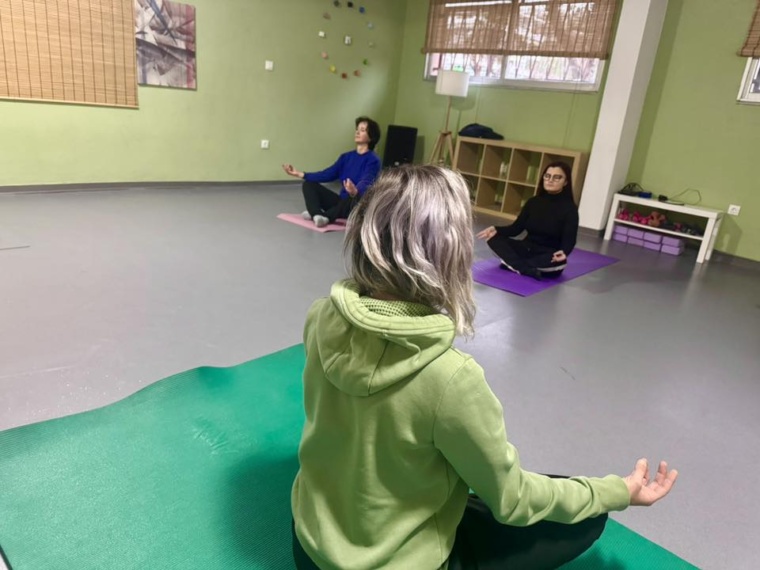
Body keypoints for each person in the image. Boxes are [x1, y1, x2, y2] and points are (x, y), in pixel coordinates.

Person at [290, 165, 678, 570]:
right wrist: (617, 491)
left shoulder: (321, 316)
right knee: (586, 514)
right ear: (449, 253)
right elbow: (513, 500)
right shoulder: (452, 378)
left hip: (309, 547)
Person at [477, 161, 578, 280]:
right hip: (526, 248)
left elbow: (570, 239)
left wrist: (564, 252)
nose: (550, 180)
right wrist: (496, 229)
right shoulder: (533, 202)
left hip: (548, 254)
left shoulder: (569, 209)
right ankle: (525, 268)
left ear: (565, 182)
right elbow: (516, 229)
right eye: (547, 176)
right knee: (493, 239)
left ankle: (513, 263)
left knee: (555, 261)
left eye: (557, 177)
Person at [282, 116, 382, 228]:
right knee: (308, 184)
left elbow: (367, 181)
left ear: (371, 137)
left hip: (357, 204)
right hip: (341, 202)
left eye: (362, 130)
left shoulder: (373, 160)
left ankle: (326, 216)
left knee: (352, 198)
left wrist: (355, 191)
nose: (357, 132)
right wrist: (300, 174)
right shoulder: (346, 157)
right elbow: (327, 174)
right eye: (357, 129)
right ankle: (316, 214)